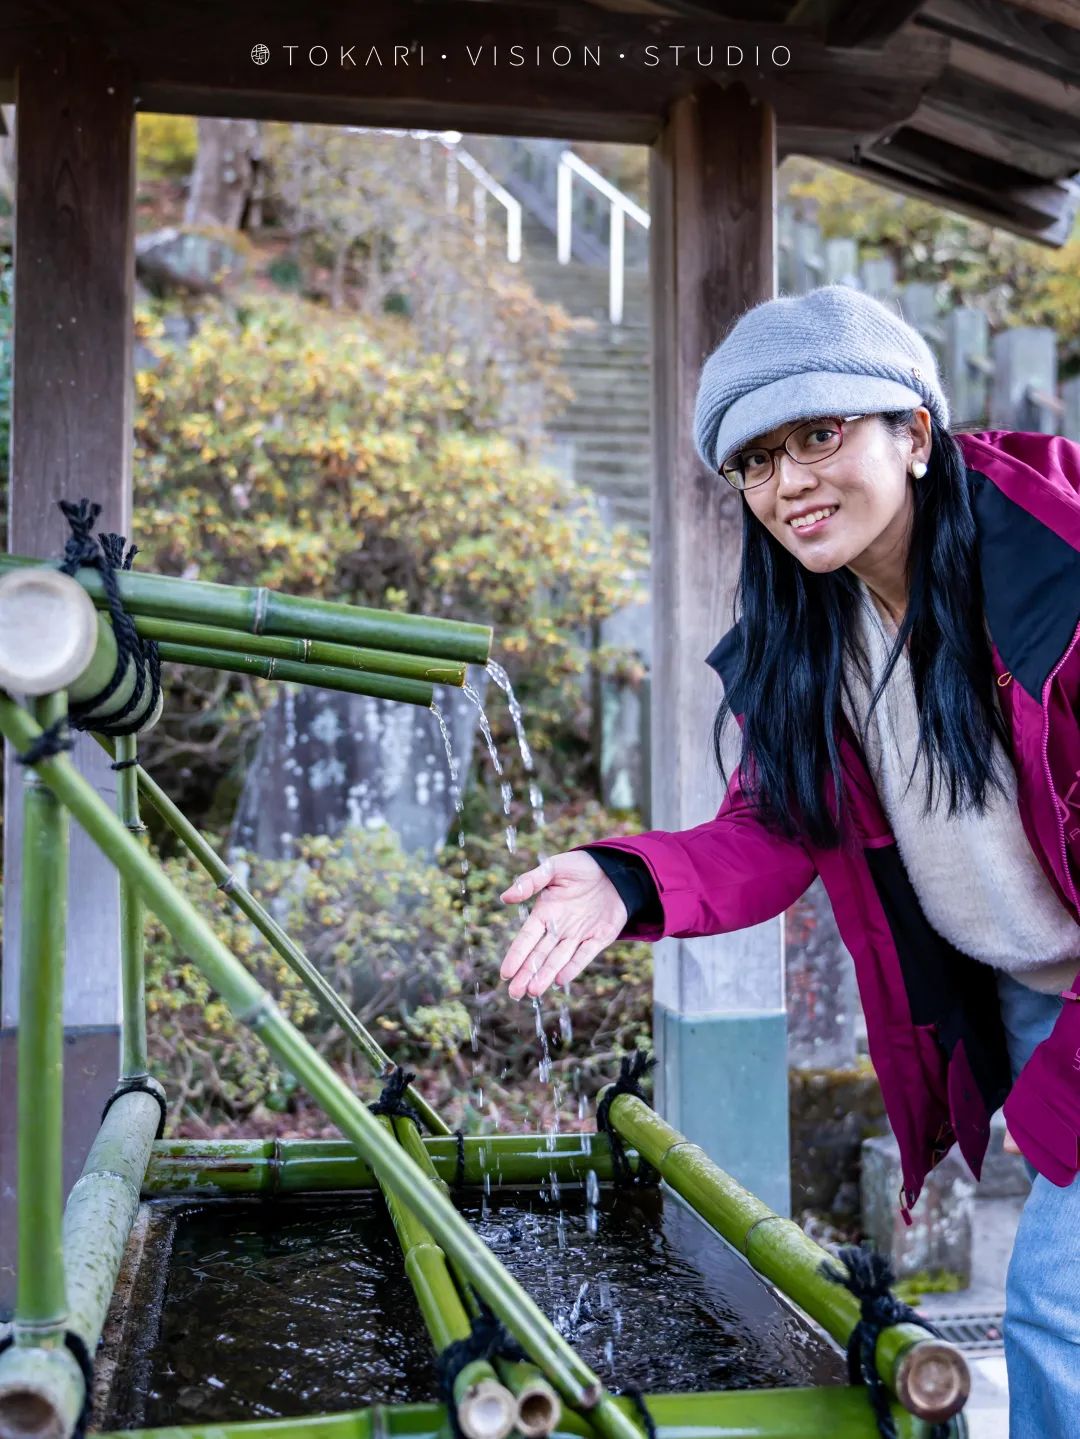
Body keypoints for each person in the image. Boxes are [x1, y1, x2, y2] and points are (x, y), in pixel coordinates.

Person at [496, 285, 1080, 1438]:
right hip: (1023, 986)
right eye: (757, 461)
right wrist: (625, 880)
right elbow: (775, 822)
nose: (790, 483)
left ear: (913, 431)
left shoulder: (1057, 567)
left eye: (820, 435)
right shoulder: (811, 618)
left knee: (1055, 1304)